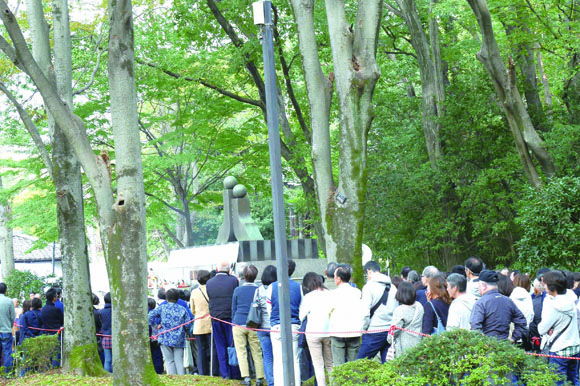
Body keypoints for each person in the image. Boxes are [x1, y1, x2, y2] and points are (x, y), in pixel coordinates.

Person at [538, 270, 580, 386]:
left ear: (552, 286)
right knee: (573, 379)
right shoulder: (571, 299)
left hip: (560, 349)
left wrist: (550, 327)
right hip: (575, 346)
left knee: (558, 381)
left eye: (545, 283)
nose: (543, 285)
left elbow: (541, 329)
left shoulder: (553, 305)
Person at [268, 259, 302, 386]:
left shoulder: (272, 287)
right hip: (294, 325)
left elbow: (268, 308)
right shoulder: (298, 287)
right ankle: (296, 383)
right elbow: (301, 308)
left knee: (278, 360)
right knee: (295, 360)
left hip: (276, 326)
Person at [206, 260, 241, 379]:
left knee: (220, 346)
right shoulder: (233, 281)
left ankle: (225, 373)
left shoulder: (209, 283)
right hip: (230, 317)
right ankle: (235, 372)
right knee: (232, 345)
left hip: (216, 317)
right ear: (229, 269)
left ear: (217, 269)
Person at [470, 270, 527, 341]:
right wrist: (513, 339)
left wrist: (484, 343)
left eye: (479, 285)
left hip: (486, 348)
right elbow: (522, 321)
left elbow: (475, 328)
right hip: (505, 347)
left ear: (483, 285)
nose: (478, 288)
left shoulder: (481, 303)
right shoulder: (508, 301)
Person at [357, 261, 397, 362]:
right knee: (388, 366)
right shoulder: (393, 287)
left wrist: (363, 329)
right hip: (389, 332)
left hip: (374, 331)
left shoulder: (368, 287)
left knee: (358, 365)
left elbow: (365, 313)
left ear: (369, 271)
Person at [231, 265, 264, 386]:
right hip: (254, 324)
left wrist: (233, 322)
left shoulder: (237, 290)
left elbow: (233, 309)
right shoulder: (259, 290)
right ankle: (260, 378)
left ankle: (246, 377)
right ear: (256, 276)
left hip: (238, 323)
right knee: (257, 351)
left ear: (244, 276)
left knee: (241, 351)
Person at [148, 288, 192, 375]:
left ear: (167, 298)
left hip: (165, 337)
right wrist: (186, 330)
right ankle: (181, 379)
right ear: (178, 298)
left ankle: (172, 379)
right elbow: (188, 323)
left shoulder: (162, 307)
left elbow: (150, 315)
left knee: (169, 361)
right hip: (179, 337)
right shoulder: (182, 309)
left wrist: (156, 325)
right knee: (179, 360)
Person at [300, 272, 332, 386]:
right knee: (330, 364)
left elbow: (301, 315)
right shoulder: (330, 294)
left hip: (313, 333)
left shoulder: (308, 297)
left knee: (318, 364)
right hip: (329, 332)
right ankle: (334, 383)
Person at [328, 264, 364, 367]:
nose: (334, 279)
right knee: (354, 366)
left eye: (335, 277)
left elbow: (328, 311)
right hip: (354, 331)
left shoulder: (333, 294)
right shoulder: (357, 292)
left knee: (338, 366)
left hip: (337, 332)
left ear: (339, 279)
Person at [387, 281, 424, 357]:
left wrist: (389, 339)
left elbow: (393, 332)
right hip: (418, 344)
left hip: (404, 348)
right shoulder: (419, 306)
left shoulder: (400, 310)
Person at [190, 269, 216, 376]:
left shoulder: (194, 292)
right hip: (211, 323)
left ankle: (202, 372)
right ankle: (213, 371)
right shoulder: (212, 290)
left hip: (199, 324)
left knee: (201, 350)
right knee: (212, 349)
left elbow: (193, 309)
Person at [255, 265, 276, 386]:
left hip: (262, 327)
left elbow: (255, 306)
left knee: (267, 356)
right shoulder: (278, 289)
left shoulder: (258, 290)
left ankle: (271, 382)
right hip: (275, 326)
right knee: (278, 355)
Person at [0, 283, 15, 374]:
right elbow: (12, 317)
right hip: (6, 330)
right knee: (7, 353)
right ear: (5, 291)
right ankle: (7, 374)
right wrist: (9, 326)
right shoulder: (9, 301)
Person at [148, 298, 164, 375]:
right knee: (157, 354)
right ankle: (158, 370)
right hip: (155, 336)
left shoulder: (145, 313)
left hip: (149, 336)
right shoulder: (155, 313)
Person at [98, 292, 113, 373]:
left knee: (107, 360)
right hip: (115, 338)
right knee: (115, 360)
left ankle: (107, 376)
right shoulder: (116, 312)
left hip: (105, 337)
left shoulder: (100, 312)